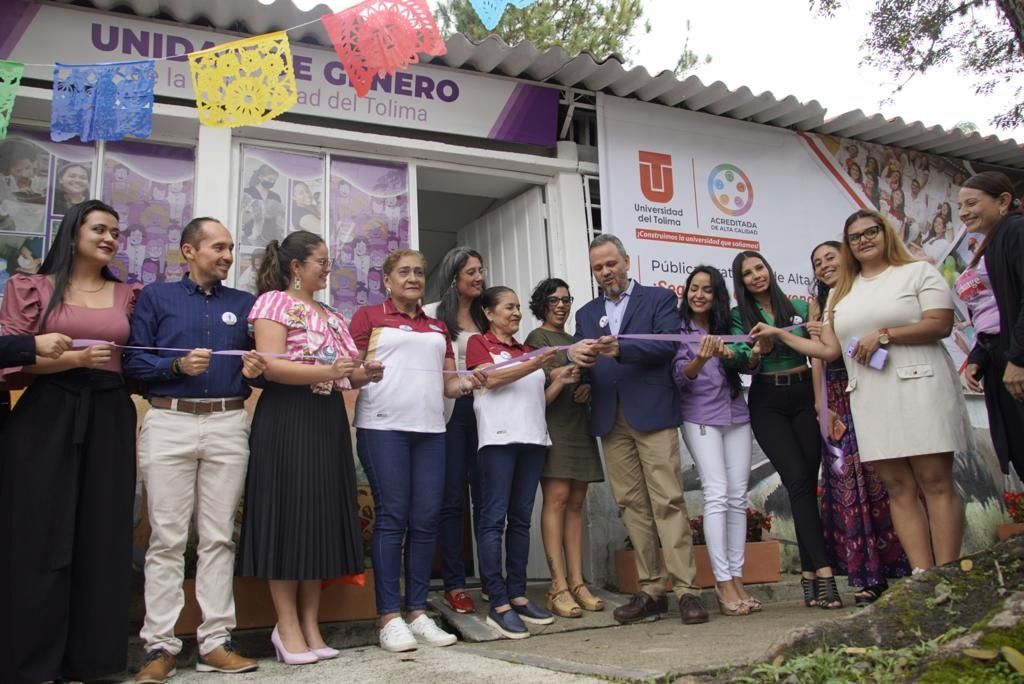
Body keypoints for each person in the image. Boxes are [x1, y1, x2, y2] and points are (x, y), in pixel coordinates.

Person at [752, 210, 968, 574]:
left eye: (871, 232)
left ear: (887, 234)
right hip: (868, 393)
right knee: (896, 486)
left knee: (934, 481)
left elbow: (940, 323)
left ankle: (947, 573)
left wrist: (885, 335)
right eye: (855, 236)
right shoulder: (841, 291)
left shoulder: (917, 272)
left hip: (921, 386)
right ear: (849, 245)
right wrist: (780, 335)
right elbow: (830, 351)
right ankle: (922, 576)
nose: (864, 239)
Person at [0, 200, 139, 684]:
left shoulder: (129, 295)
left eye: (116, 232)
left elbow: (137, 362)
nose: (109, 238)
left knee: (103, 536)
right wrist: (71, 362)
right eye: (99, 228)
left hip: (110, 415)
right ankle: (32, 665)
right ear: (73, 233)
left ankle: (94, 662)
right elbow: (11, 361)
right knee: (39, 537)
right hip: (48, 412)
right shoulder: (31, 287)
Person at [124, 218, 267, 683]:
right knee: (165, 538)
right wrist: (177, 364)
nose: (228, 255)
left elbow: (259, 372)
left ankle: (215, 642)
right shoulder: (156, 297)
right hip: (169, 420)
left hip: (227, 422)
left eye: (231, 247)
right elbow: (133, 360)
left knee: (218, 536)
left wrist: (256, 368)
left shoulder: (243, 304)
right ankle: (160, 647)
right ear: (189, 251)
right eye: (218, 247)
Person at [236, 230, 382, 665]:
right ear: (296, 266)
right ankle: (286, 627)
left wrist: (364, 374)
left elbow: (344, 374)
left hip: (327, 418)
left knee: (318, 518)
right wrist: (327, 368)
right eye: (320, 260)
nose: (327, 267)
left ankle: (311, 624)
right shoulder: (272, 303)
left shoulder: (334, 314)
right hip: (287, 417)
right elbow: (273, 366)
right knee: (288, 516)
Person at [569, 234, 708, 626]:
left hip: (652, 411)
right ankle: (651, 590)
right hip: (610, 418)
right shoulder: (586, 313)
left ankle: (687, 591)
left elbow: (668, 345)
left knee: (668, 500)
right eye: (598, 267)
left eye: (611, 263)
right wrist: (578, 364)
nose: (605, 271)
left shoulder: (659, 300)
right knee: (631, 505)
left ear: (626, 261)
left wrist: (622, 349)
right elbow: (587, 358)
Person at [348, 249, 480, 652]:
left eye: (419, 272)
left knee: (426, 519)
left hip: (430, 431)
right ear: (386, 280)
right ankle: (389, 617)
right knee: (393, 516)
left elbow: (448, 385)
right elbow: (349, 373)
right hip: (383, 428)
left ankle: (417, 611)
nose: (413, 278)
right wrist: (359, 372)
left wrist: (475, 380)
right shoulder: (368, 318)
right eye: (404, 272)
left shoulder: (439, 327)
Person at [730, 250, 841, 610]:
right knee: (796, 480)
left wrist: (821, 402)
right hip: (766, 401)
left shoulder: (798, 303)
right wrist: (757, 352)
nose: (756, 276)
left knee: (807, 484)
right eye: (747, 273)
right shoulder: (737, 316)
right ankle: (826, 576)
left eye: (759, 267)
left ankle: (809, 576)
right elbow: (744, 363)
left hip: (804, 394)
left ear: (769, 269)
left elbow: (819, 354)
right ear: (741, 281)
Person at [809, 241, 910, 607]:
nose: (824, 266)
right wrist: (822, 407)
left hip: (872, 386)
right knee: (848, 482)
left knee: (888, 477)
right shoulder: (818, 304)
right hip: (837, 395)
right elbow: (820, 359)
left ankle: (909, 568)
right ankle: (867, 576)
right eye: (817, 263)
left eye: (830, 258)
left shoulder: (867, 293)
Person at [466, 286, 557, 639]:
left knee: (521, 520)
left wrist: (560, 380)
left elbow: (534, 397)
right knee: (493, 521)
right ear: (489, 313)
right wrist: (535, 364)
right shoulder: (480, 343)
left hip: (534, 438)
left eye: (519, 307)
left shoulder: (527, 349)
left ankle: (518, 594)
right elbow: (490, 379)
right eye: (509, 307)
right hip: (499, 440)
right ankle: (498, 603)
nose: (516, 313)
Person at [672, 266, 760, 616]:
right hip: (699, 415)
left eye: (707, 290)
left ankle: (737, 577)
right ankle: (723, 582)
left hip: (737, 414)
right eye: (693, 288)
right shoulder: (679, 329)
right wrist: (700, 357)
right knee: (717, 492)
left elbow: (747, 365)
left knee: (739, 496)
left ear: (716, 295)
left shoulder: (729, 325)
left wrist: (746, 356)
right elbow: (681, 376)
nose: (699, 295)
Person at [524, 278, 605, 619]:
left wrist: (588, 390)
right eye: (554, 299)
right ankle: (556, 585)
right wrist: (561, 378)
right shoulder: (536, 339)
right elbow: (533, 389)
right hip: (553, 426)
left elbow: (588, 382)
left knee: (576, 503)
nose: (561, 305)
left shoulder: (577, 340)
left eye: (566, 299)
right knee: (556, 501)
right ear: (541, 303)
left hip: (578, 426)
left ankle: (577, 581)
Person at [423, 247, 486, 614]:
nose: (479, 277)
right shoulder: (432, 314)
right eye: (471, 272)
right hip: (448, 413)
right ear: (453, 276)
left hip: (486, 414)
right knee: (450, 500)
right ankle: (454, 584)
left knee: (486, 498)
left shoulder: (487, 314)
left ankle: (494, 580)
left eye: (481, 271)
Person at [957, 172, 1024, 479]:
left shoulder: (1016, 230)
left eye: (972, 203)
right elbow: (996, 311)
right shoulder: (990, 244)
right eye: (959, 206)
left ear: (1003, 201)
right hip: (999, 360)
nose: (963, 212)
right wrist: (979, 357)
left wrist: (1018, 358)